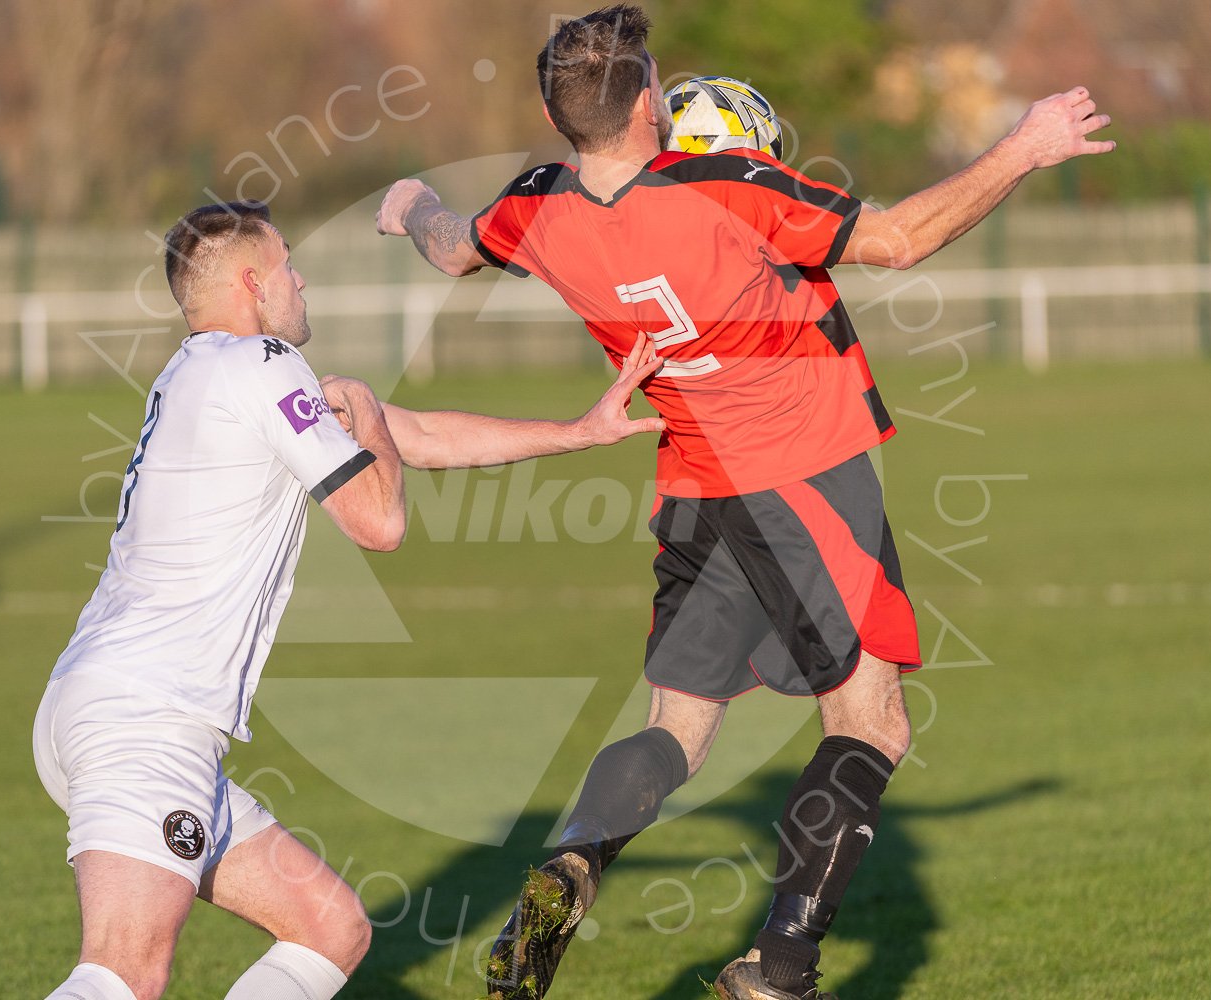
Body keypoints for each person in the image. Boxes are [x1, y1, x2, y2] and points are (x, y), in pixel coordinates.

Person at [374, 6, 1114, 1000]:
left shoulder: (539, 205)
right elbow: (894, 240)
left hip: (694, 488)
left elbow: (454, 247)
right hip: (806, 479)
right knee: (871, 721)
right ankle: (782, 968)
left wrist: (413, 204)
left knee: (676, 728)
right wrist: (1024, 147)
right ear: (647, 104)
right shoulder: (722, 186)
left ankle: (573, 864)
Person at [33, 198, 664, 1000]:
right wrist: (363, 406)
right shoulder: (259, 365)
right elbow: (379, 520)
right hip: (148, 718)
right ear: (254, 284)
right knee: (122, 972)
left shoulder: (204, 373)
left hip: (107, 702)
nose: (302, 280)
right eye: (290, 263)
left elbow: (417, 437)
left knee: (329, 928)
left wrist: (578, 431)